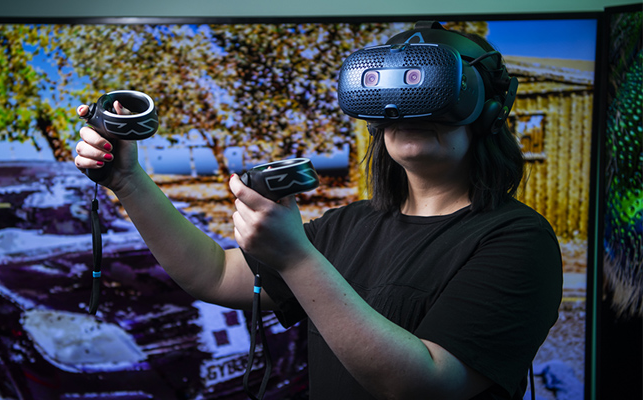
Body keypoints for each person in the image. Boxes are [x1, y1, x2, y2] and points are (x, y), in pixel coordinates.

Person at [73, 22, 562, 400]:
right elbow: (215, 274)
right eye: (394, 90)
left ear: (490, 111)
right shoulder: (350, 224)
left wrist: (297, 259)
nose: (410, 108)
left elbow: (424, 384)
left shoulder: (517, 240)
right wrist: (128, 180)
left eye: (429, 91)